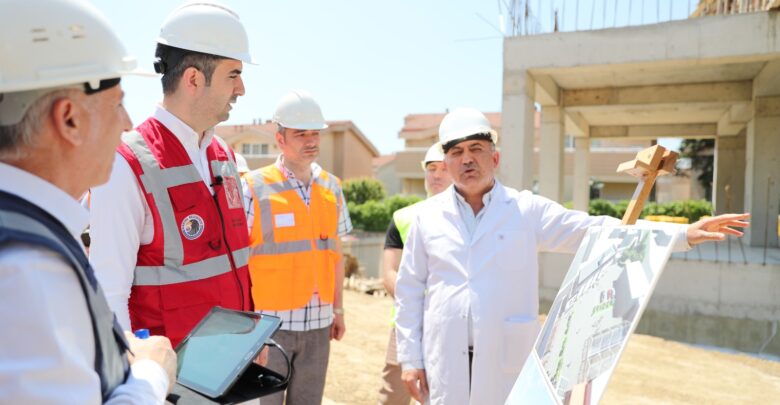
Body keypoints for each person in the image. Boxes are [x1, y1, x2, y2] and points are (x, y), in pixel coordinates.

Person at [394, 107, 751, 405]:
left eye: (476, 149)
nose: (467, 159)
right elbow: (409, 290)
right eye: (456, 152)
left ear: (495, 158)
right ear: (446, 162)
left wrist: (682, 234)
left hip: (506, 361)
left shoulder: (525, 210)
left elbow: (597, 230)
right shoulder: (427, 217)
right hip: (445, 358)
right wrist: (410, 359)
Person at [0, 0, 176, 403]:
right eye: (118, 104)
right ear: (70, 119)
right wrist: (151, 373)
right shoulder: (29, 270)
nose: (128, 124)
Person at [88, 2, 255, 348]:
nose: (241, 89)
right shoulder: (126, 164)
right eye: (233, 75)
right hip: (168, 375)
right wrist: (132, 374)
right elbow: (109, 294)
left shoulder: (224, 157)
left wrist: (251, 341)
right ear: (193, 78)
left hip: (233, 361)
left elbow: (235, 266)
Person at [243, 90, 351, 405]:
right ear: (280, 139)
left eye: (315, 133)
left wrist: (338, 309)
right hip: (269, 326)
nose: (310, 140)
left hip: (318, 324)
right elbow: (238, 260)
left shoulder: (332, 187)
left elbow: (336, 256)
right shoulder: (254, 186)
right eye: (300, 133)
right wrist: (248, 325)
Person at [378, 142, 452, 405]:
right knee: (393, 396)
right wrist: (414, 305)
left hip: (451, 325)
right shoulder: (403, 217)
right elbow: (390, 273)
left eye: (444, 168)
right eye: (431, 168)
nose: (436, 175)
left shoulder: (471, 218)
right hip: (406, 324)